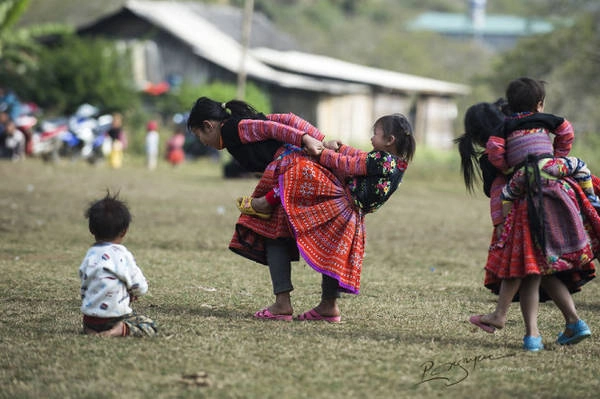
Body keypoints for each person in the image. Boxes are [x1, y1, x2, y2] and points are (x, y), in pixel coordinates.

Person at [187, 97, 414, 322]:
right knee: (325, 238)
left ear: (209, 125)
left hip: (296, 169)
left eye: (199, 135)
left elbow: (273, 127)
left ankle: (283, 302)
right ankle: (326, 306)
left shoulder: (234, 128)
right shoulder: (242, 124)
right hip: (311, 175)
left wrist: (311, 142)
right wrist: (321, 140)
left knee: (271, 228)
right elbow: (287, 120)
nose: (203, 141)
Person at [458, 79, 598, 350]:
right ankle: (560, 327)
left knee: (525, 268)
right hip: (556, 205)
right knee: (536, 271)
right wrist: (556, 159)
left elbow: (502, 191)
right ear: (539, 104)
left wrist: (501, 222)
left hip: (525, 214)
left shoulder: (510, 162)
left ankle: (520, 326)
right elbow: (568, 137)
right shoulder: (544, 139)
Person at [79, 191, 157, 337]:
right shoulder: (122, 255)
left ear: (91, 229)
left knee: (95, 322)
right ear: (124, 231)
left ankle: (90, 330)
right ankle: (118, 330)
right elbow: (139, 286)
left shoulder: (90, 256)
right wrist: (134, 292)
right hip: (114, 317)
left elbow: (85, 286)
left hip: (90, 319)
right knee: (149, 325)